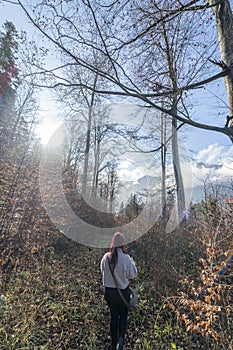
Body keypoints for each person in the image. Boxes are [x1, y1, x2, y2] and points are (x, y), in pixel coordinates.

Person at [100, 232, 138, 350]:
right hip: (123, 293)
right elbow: (133, 275)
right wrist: (132, 261)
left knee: (113, 316)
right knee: (123, 316)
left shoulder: (106, 257)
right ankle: (120, 342)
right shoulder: (126, 258)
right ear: (123, 244)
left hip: (109, 294)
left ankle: (113, 343)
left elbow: (102, 271)